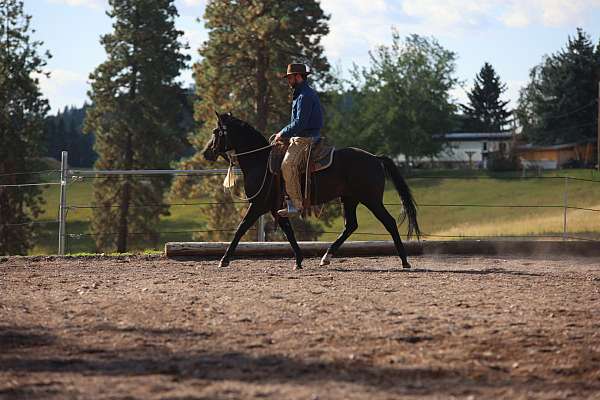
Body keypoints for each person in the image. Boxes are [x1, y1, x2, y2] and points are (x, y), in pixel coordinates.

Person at [274, 63, 323, 217]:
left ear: (298, 76)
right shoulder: (301, 94)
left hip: (306, 139)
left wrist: (282, 133)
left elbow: (300, 123)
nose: (288, 80)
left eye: (290, 77)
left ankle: (296, 205)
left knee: (287, 165)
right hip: (300, 136)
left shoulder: (305, 96)